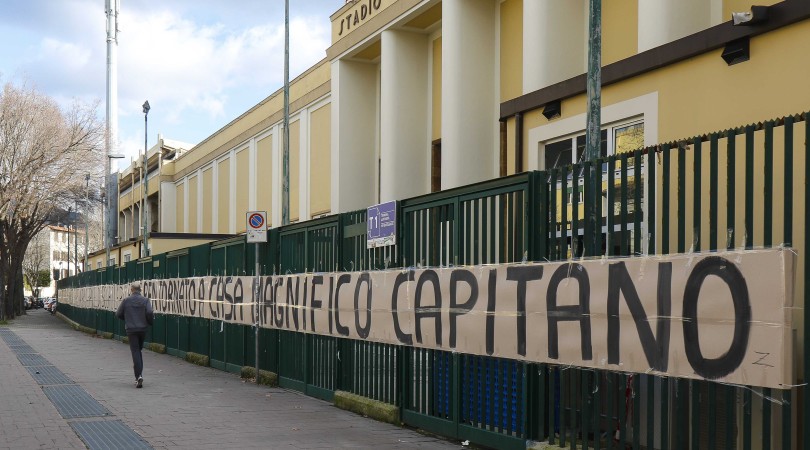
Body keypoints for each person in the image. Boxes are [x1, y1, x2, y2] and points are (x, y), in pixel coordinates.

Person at [115, 282, 154, 388]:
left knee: (135, 351)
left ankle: (138, 376)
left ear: (131, 290)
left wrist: (128, 320)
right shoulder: (145, 300)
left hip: (131, 329)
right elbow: (150, 312)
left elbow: (118, 313)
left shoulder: (126, 300)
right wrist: (149, 322)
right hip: (142, 329)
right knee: (139, 350)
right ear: (140, 290)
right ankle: (139, 375)